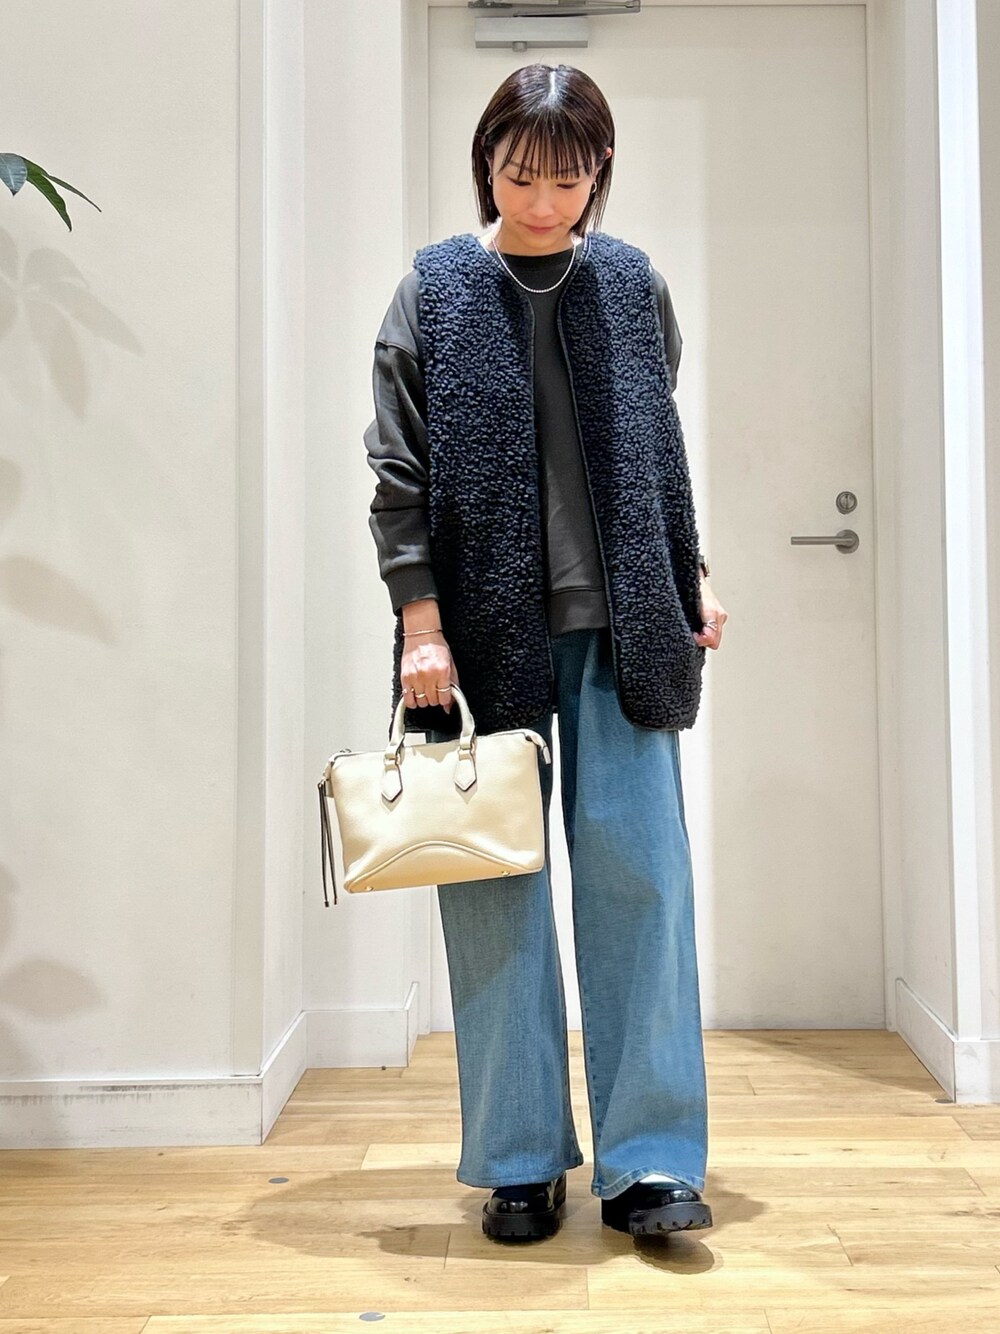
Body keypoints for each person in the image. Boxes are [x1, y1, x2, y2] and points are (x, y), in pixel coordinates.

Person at [363, 63, 728, 1243]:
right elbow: (397, 475)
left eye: (565, 179)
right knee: (494, 893)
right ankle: (519, 1158)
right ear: (487, 164)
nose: (540, 199)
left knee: (642, 884)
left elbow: (657, 452)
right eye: (520, 174)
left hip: (622, 627)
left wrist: (691, 574)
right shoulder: (434, 290)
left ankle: (649, 1162)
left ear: (598, 171)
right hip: (476, 639)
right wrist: (420, 624)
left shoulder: (629, 282)